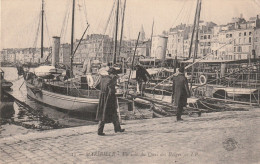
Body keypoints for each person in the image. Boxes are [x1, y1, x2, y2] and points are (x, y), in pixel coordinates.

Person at [96, 67, 125, 136]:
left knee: (110, 113)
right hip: (109, 99)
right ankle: (100, 131)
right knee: (107, 113)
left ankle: (117, 128)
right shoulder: (111, 80)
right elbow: (111, 91)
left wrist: (103, 91)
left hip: (102, 98)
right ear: (112, 74)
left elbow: (97, 86)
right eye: (114, 74)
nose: (115, 76)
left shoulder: (103, 78)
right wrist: (115, 91)